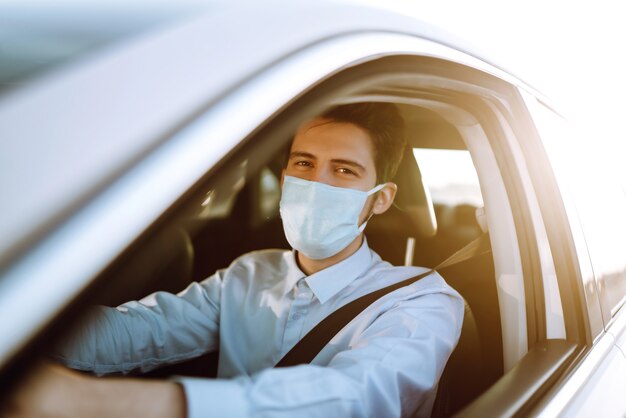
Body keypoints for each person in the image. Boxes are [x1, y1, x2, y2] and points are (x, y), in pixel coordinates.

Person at [6, 103, 464, 418]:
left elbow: (353, 399)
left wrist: (89, 402)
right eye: (304, 164)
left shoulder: (422, 301)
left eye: (344, 170)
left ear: (380, 199)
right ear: (284, 177)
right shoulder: (250, 272)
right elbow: (141, 330)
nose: (317, 183)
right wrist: (21, 335)